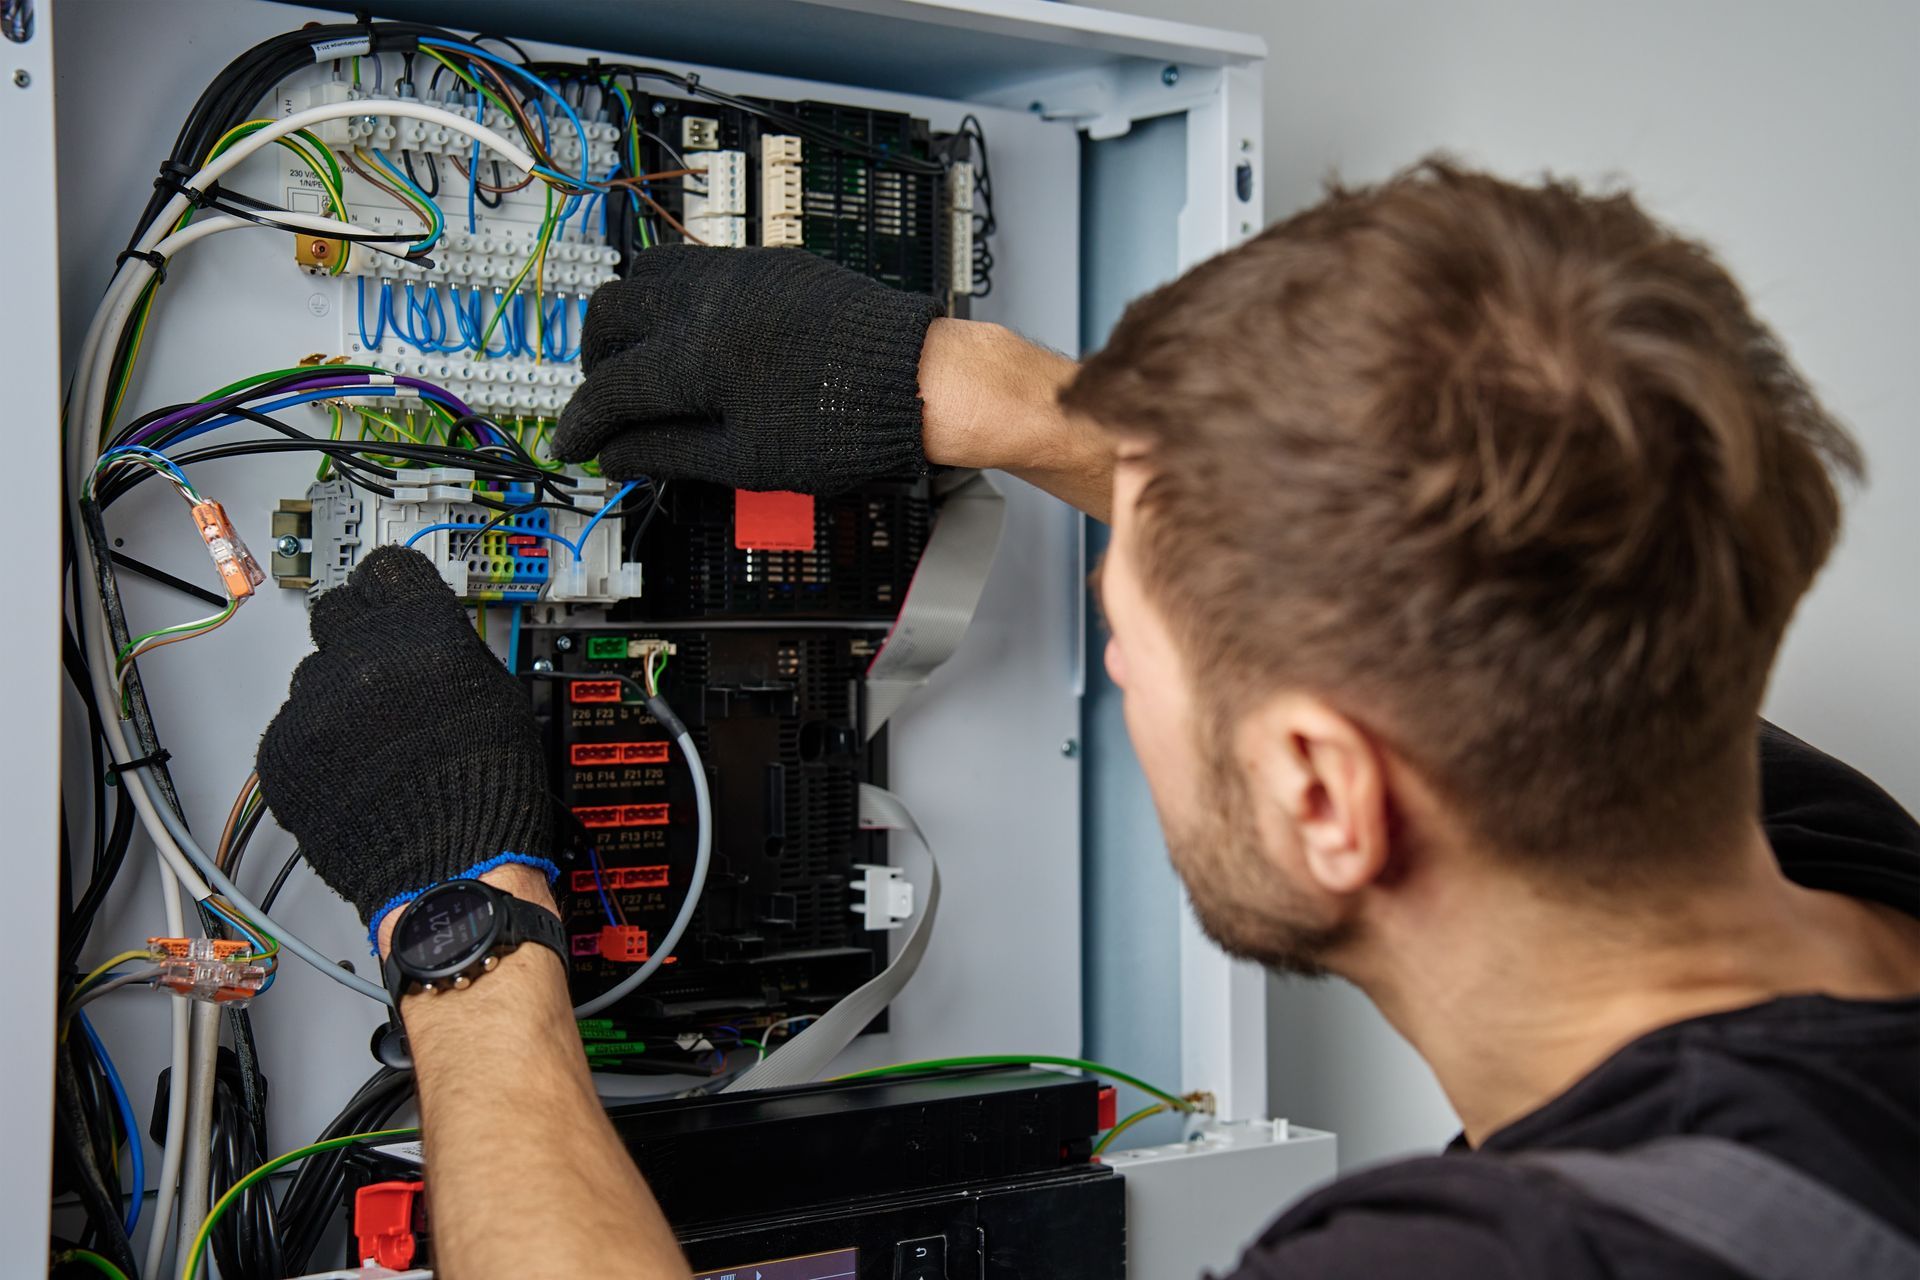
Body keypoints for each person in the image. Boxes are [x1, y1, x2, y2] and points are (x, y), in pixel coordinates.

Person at [256, 159, 1920, 1279]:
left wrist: (464, 937)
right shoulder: (1833, 875)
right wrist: (994, 390)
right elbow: (1527, 569)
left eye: (1138, 647)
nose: (1117, 667)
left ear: (1325, 792)